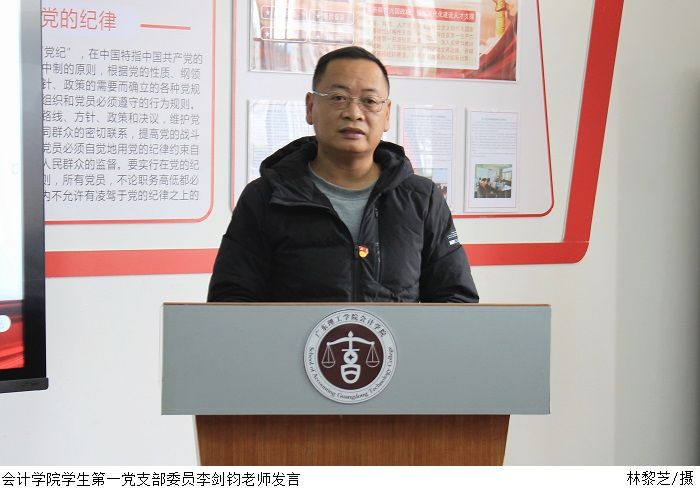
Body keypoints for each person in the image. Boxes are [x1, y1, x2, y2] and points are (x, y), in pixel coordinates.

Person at [208, 46, 478, 303]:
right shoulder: (265, 197)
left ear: (386, 114)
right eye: (338, 98)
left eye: (369, 101)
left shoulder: (422, 199)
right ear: (310, 107)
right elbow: (231, 301)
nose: (354, 113)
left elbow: (455, 300)